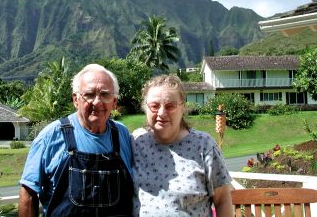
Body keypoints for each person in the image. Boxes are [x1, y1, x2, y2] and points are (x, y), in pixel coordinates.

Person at [18, 64, 133, 217]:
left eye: (105, 95)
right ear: (75, 100)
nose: (97, 102)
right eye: (89, 94)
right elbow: (28, 194)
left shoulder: (122, 134)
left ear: (114, 102)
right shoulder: (51, 136)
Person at [131, 74, 233, 217]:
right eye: (154, 106)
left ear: (182, 108)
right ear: (145, 107)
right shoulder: (135, 141)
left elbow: (223, 200)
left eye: (170, 106)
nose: (161, 113)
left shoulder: (204, 145)